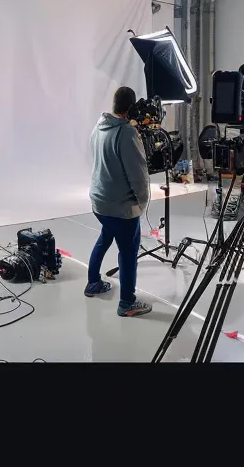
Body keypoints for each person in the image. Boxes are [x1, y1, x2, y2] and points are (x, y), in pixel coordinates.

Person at [87, 86, 153, 317]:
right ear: (131, 108)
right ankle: (127, 303)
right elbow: (138, 174)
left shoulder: (100, 125)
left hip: (99, 201)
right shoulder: (126, 133)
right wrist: (142, 204)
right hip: (119, 206)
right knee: (127, 252)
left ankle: (93, 282)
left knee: (106, 236)